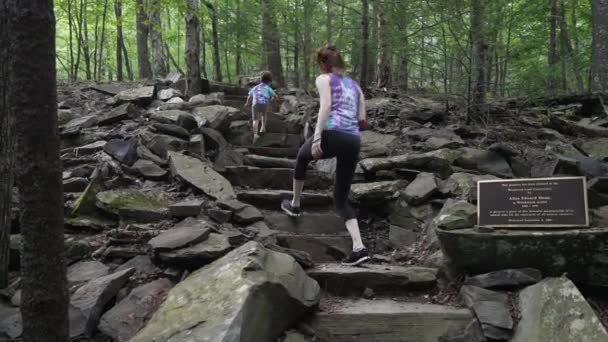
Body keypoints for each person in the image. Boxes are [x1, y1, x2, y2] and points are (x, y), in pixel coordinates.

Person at [281, 46, 370, 266]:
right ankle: (359, 247)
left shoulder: (324, 79)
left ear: (323, 63)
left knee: (302, 156)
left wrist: (318, 136)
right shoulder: (356, 86)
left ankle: (295, 204)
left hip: (333, 133)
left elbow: (326, 106)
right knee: (340, 200)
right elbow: (362, 120)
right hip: (353, 139)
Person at [245, 71, 277, 142]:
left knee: (255, 120)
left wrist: (247, 103)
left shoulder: (255, 87)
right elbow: (274, 96)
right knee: (264, 114)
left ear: (260, 80)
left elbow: (249, 96)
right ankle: (262, 127)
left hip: (255, 104)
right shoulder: (268, 88)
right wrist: (273, 100)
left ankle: (255, 134)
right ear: (270, 82)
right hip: (264, 103)